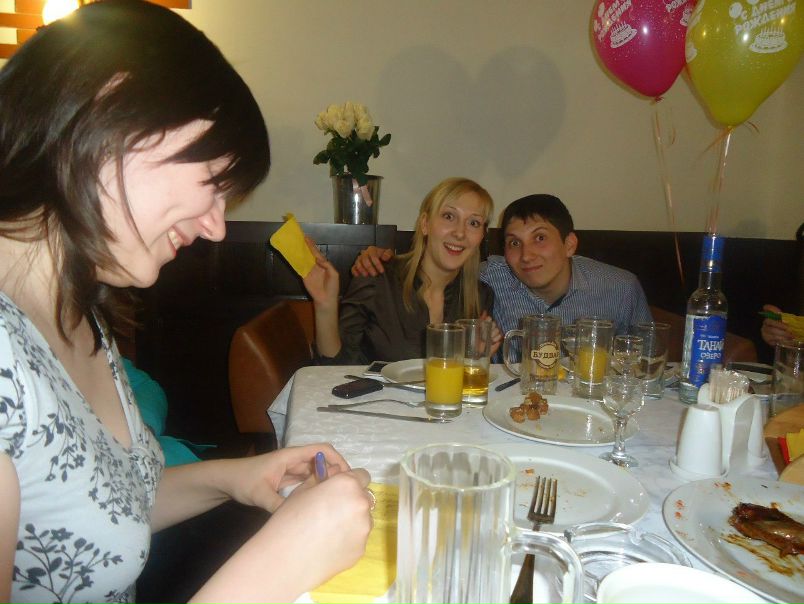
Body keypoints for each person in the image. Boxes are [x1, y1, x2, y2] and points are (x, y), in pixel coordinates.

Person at [0, 2, 371, 603]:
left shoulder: (78, 315)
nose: (218, 228)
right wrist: (278, 567)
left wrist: (238, 478)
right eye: (215, 182)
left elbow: (104, 510)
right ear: (111, 109)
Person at [353, 194, 652, 358]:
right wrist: (383, 258)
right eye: (514, 243)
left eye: (540, 238)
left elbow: (649, 363)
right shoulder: (489, 279)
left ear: (570, 244)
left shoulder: (620, 288)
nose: (526, 255)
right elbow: (440, 265)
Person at [302, 177, 500, 363]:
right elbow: (335, 367)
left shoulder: (481, 296)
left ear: (481, 236)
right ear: (425, 224)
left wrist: (475, 360)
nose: (460, 233)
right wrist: (325, 306)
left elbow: (464, 378)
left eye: (474, 223)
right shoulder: (376, 275)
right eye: (449, 216)